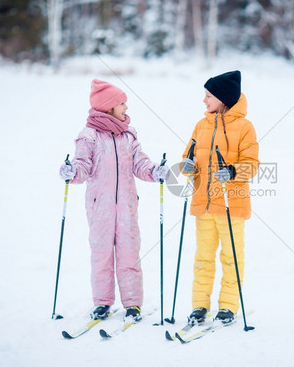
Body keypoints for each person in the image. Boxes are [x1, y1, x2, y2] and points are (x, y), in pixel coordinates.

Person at [59, 79, 169, 321]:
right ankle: (102, 302)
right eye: (122, 103)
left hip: (127, 208)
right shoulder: (89, 136)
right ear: (108, 107)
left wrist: (154, 172)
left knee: (130, 254)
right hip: (101, 208)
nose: (126, 108)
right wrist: (71, 172)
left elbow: (140, 163)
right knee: (102, 256)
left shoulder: (128, 135)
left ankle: (132, 303)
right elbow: (82, 166)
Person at [181, 70, 259, 324]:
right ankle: (199, 305)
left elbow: (252, 164)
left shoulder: (245, 127)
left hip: (231, 205)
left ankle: (227, 306)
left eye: (208, 96)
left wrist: (233, 171)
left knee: (231, 257)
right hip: (203, 204)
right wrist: (188, 165)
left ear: (223, 98)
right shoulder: (201, 124)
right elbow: (186, 158)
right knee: (202, 258)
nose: (204, 101)